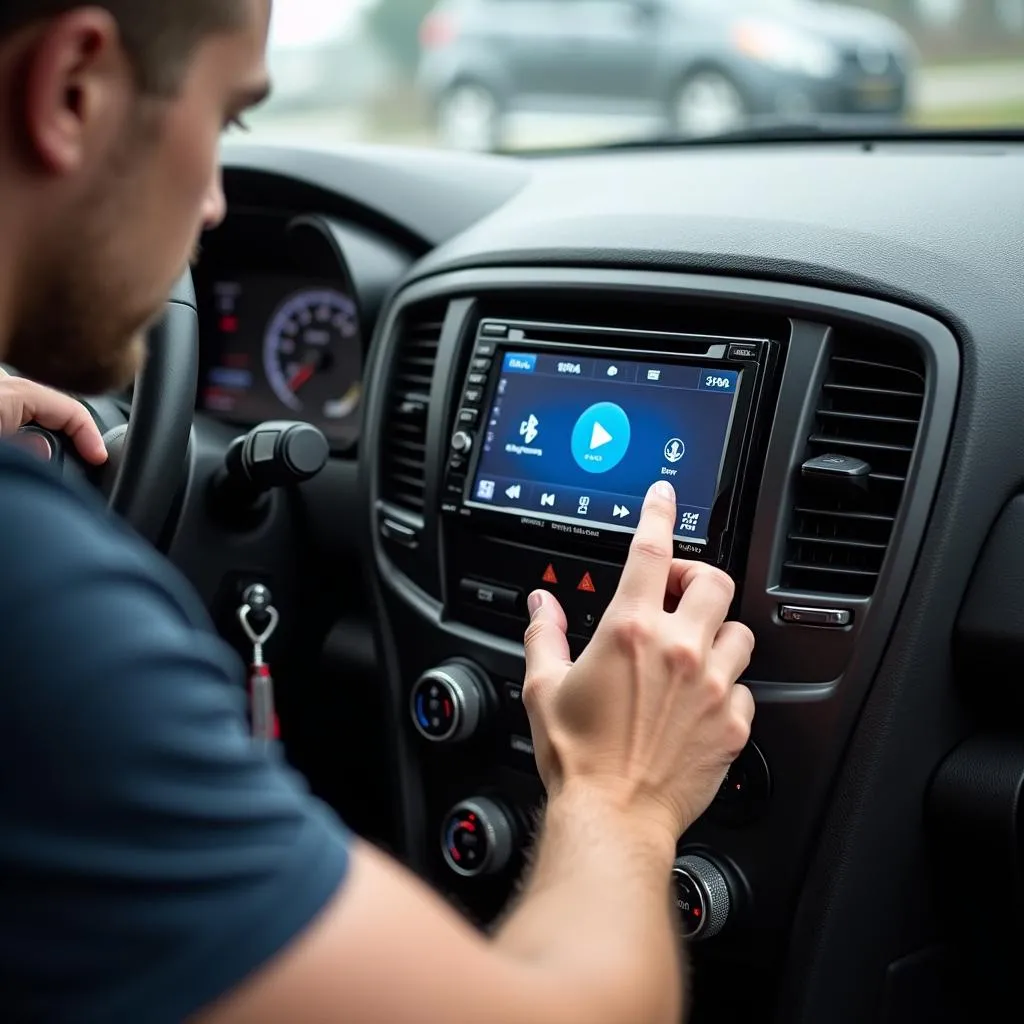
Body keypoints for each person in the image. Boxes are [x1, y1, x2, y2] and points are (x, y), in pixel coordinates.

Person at [0, 2, 756, 1022]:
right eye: (226, 120)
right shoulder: (38, 607)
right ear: (73, 91)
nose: (218, 202)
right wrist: (620, 793)